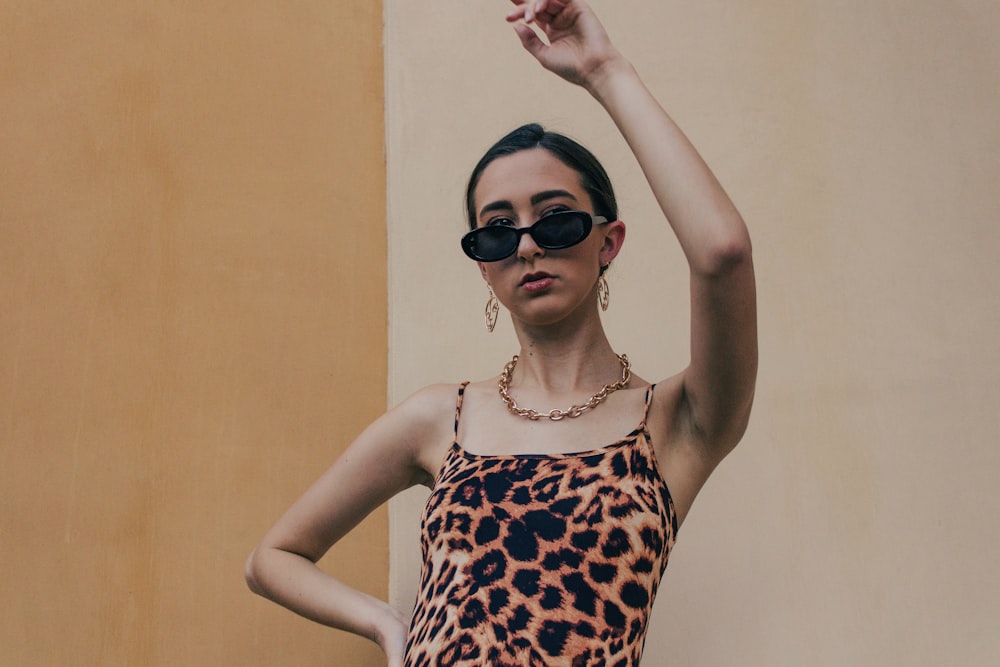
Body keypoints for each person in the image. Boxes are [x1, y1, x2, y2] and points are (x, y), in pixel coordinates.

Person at [245, 1, 757, 665]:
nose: (527, 246)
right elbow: (271, 558)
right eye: (497, 230)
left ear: (609, 241)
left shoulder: (677, 421)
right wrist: (386, 624)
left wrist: (604, 70)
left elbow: (722, 254)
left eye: (557, 220)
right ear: (484, 264)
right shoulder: (441, 418)